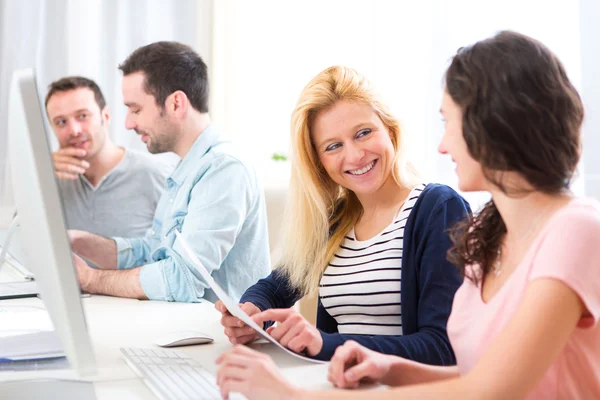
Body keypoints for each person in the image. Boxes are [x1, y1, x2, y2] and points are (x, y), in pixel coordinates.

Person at [215, 31, 600, 400]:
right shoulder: (491, 231)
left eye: (449, 121)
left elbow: (486, 391)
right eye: (333, 145)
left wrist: (292, 395)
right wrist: (386, 367)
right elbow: (474, 373)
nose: (442, 143)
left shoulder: (575, 229)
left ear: (495, 125)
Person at [216, 65, 470, 364]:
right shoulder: (336, 221)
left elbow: (442, 347)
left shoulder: (438, 209)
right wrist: (252, 312)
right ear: (318, 161)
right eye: (333, 146)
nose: (354, 155)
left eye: (363, 133)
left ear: (389, 129)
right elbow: (274, 288)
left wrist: (326, 344)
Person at [68, 41, 271, 303]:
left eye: (136, 109)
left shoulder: (224, 169)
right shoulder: (185, 169)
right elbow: (153, 252)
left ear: (176, 104)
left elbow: (180, 280)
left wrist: (89, 279)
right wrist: (80, 242)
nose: (129, 123)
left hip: (220, 336)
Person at [45, 76, 171, 238]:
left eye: (83, 116)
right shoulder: (49, 179)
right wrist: (38, 178)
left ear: (106, 116)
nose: (74, 130)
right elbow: (21, 242)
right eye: (61, 122)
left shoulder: (156, 175)